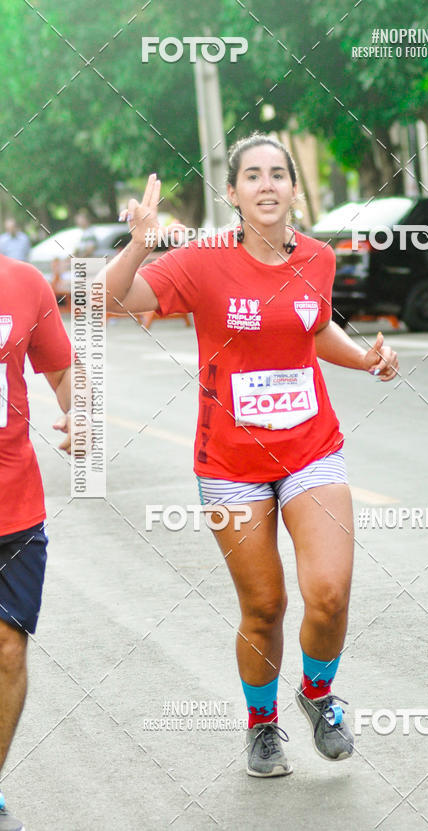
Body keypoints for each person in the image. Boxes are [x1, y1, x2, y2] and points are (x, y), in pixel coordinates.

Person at [103, 133, 399, 778]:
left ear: (295, 188)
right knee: (265, 608)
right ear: (232, 193)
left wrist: (367, 358)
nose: (267, 185)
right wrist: (140, 241)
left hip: (310, 449)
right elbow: (111, 301)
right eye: (252, 176)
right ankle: (262, 725)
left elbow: (315, 330)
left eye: (278, 175)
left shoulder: (316, 259)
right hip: (231, 464)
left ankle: (318, 697)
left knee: (329, 592)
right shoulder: (204, 260)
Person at [0, 254, 72, 830]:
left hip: (13, 506)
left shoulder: (23, 283)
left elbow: (62, 368)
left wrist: (82, 416)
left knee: (7, 650)